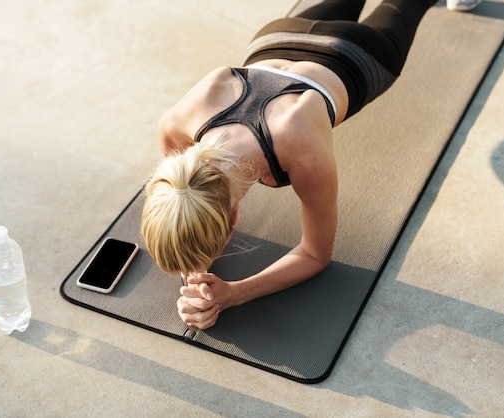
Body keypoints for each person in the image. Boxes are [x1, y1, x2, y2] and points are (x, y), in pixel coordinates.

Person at [141, 0, 472, 330]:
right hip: (276, 39)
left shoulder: (298, 143)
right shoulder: (175, 128)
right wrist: (195, 272)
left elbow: (315, 254)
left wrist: (235, 294)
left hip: (355, 52)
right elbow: (184, 208)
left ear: (235, 217)